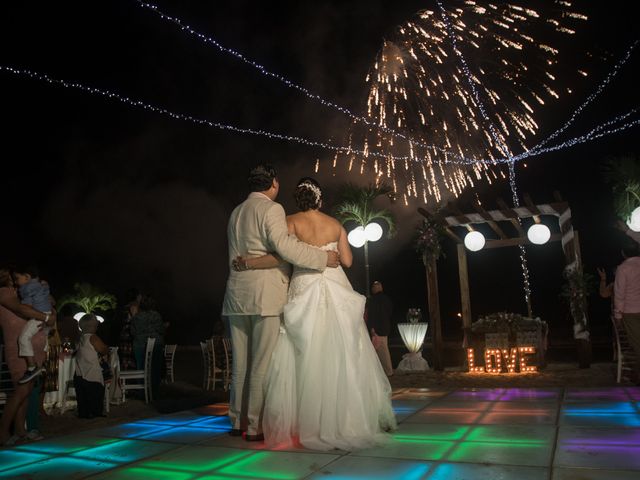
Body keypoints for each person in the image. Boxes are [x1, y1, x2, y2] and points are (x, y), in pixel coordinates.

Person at [236, 177, 396, 450]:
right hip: (336, 287)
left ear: (298, 199)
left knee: (303, 353)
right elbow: (346, 261)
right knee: (344, 353)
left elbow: (280, 256)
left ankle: (305, 422)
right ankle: (347, 419)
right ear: (320, 198)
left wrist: (249, 262)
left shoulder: (291, 221)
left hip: (304, 287)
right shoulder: (335, 225)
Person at [222, 165, 340, 442]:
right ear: (273, 183)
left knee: (240, 365)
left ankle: (236, 420)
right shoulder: (271, 209)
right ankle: (254, 427)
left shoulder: (236, 212)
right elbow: (284, 249)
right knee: (261, 363)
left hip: (237, 294)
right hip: (265, 294)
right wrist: (322, 259)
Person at [0, 267, 54, 446]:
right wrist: (47, 318)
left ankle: (20, 431)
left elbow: (49, 302)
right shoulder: (3, 293)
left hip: (34, 347)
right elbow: (22, 310)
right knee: (20, 390)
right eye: (11, 276)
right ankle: (2, 433)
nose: (14, 279)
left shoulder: (24, 290)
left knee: (27, 391)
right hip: (18, 350)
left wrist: (49, 308)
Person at [12, 266, 53, 384]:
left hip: (39, 315)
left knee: (23, 338)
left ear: (27, 277)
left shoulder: (26, 288)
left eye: (17, 278)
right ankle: (44, 363)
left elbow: (27, 307)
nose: (16, 282)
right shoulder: (40, 285)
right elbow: (47, 291)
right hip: (48, 313)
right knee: (45, 336)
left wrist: (20, 303)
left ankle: (32, 367)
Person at [614, 240, 640, 381]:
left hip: (630, 312)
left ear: (623, 253)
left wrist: (618, 315)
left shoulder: (623, 268)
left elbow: (619, 294)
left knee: (637, 344)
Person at [74, 314, 108, 418]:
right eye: (96, 325)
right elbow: (103, 349)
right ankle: (96, 411)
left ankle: (84, 412)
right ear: (91, 326)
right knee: (96, 392)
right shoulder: (93, 337)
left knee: (82, 396)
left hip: (79, 373)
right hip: (91, 372)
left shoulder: (80, 338)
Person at [130, 294, 165, 395]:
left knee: (141, 368)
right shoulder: (157, 315)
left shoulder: (137, 317)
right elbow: (161, 330)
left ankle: (142, 391)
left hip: (140, 344)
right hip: (156, 344)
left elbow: (133, 332)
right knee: (155, 367)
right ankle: (154, 390)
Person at [366, 280, 395, 377]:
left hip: (377, 329)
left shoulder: (373, 300)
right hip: (385, 328)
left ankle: (388, 371)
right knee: (382, 350)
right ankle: (385, 371)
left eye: (374, 287)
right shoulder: (386, 299)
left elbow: (372, 316)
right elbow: (390, 312)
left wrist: (372, 328)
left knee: (382, 351)